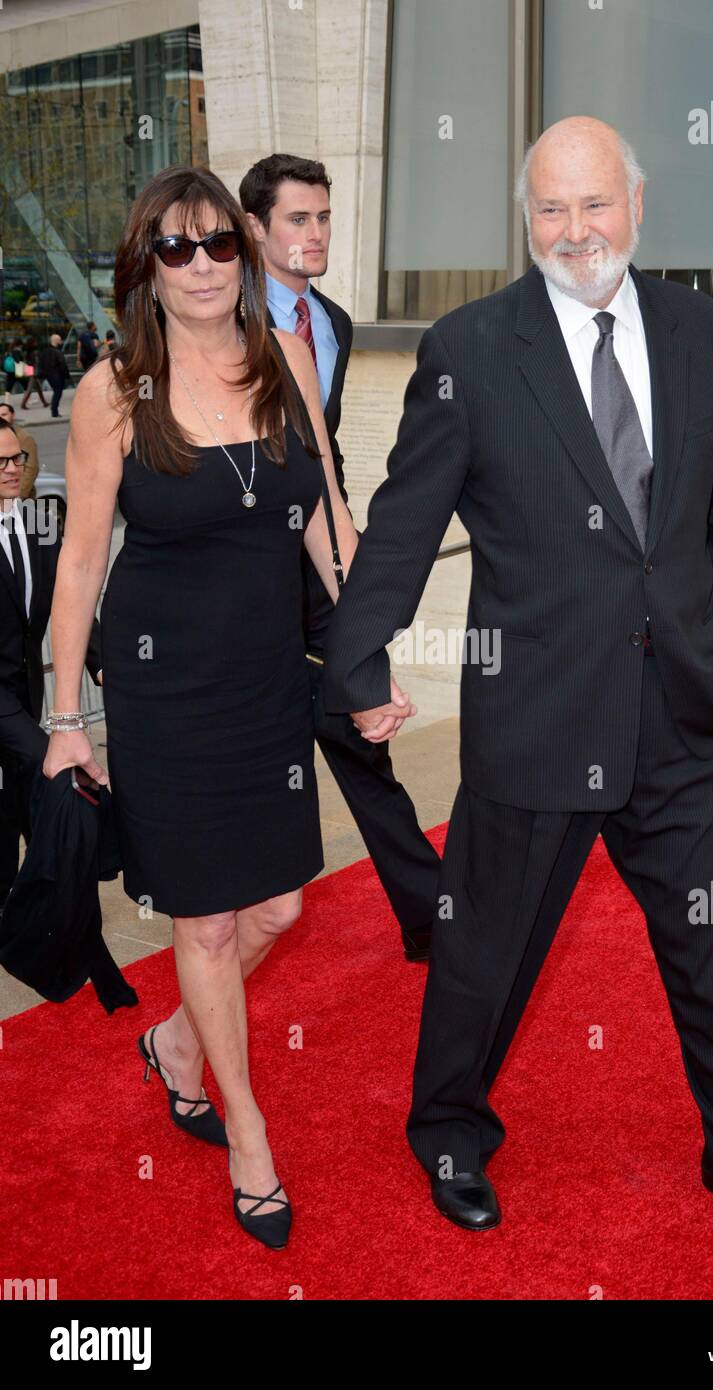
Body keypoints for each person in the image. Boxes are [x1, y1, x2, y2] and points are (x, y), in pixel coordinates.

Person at [322, 117, 713, 1251]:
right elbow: (400, 531)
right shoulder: (470, 347)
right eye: (550, 208)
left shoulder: (704, 334)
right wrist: (358, 658)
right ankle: (448, 1131)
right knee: (484, 948)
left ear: (636, 206)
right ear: (525, 218)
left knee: (712, 954)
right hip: (538, 718)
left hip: (683, 718)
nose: (574, 229)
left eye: (594, 204)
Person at [41, 164, 403, 1250]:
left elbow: (329, 524)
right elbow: (78, 565)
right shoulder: (113, 391)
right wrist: (66, 718)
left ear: (243, 255)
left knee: (281, 909)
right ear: (144, 268)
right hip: (162, 689)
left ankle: (180, 1046)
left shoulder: (286, 357)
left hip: (263, 680)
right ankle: (245, 1128)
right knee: (203, 918)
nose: (201, 266)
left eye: (217, 246)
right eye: (175, 248)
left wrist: (365, 661)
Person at [240, 152, 439, 963]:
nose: (316, 233)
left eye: (323, 217)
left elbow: (323, 460)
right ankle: (237, 915)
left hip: (320, 559)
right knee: (259, 759)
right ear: (254, 228)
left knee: (362, 740)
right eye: (298, 218)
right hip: (243, 576)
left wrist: (350, 574)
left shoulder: (333, 323)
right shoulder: (219, 319)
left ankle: (430, 916)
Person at [0, 417, 102, 907]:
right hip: (3, 708)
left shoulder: (41, 522)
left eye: (16, 458)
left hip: (26, 698)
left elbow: (72, 596)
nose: (12, 468)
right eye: (0, 462)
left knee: (24, 815)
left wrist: (100, 663)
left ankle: (44, 920)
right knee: (50, 780)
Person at [0, 403, 39, 500]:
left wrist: (19, 496)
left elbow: (31, 468)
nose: (12, 469)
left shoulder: (24, 438)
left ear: (13, 415)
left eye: (4, 414)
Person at [37, 334, 70, 418]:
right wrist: (66, 375)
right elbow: (63, 364)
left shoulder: (44, 351)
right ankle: (54, 411)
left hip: (49, 375)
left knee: (56, 392)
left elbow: (41, 363)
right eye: (59, 340)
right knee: (58, 392)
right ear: (56, 341)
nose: (61, 342)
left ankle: (54, 410)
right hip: (57, 375)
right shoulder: (57, 352)